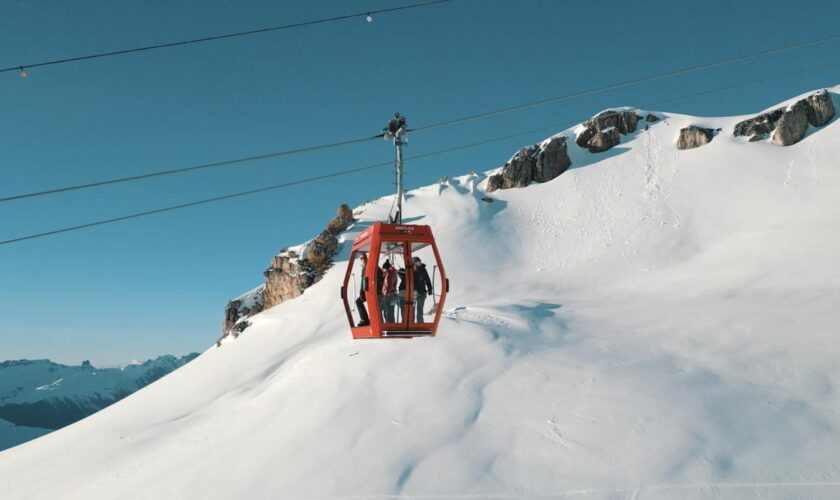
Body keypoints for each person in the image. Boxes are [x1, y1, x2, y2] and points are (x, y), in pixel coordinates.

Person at [412, 257, 434, 323]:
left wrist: (430, 289)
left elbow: (427, 279)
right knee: (411, 309)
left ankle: (420, 323)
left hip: (422, 293)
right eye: (418, 262)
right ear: (414, 263)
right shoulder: (411, 270)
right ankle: (411, 323)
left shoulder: (423, 269)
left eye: (420, 261)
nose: (420, 263)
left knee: (420, 309)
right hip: (413, 293)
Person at [354, 253, 371, 327]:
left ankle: (365, 319)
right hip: (367, 290)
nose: (363, 259)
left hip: (368, 290)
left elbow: (365, 280)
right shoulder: (364, 267)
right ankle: (365, 319)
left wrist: (362, 291)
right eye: (361, 258)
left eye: (364, 257)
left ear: (367, 258)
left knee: (358, 301)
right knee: (358, 301)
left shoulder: (367, 267)